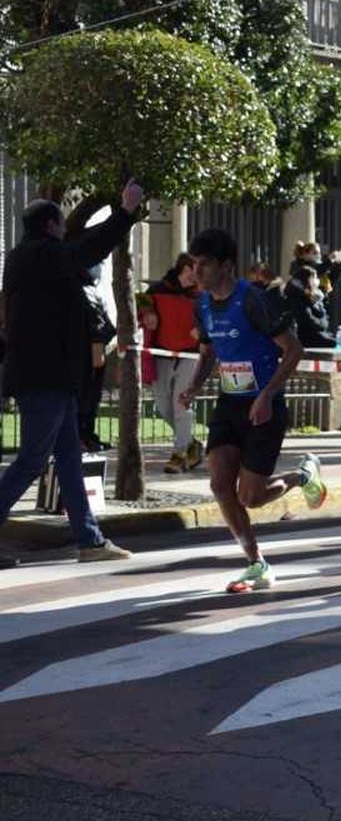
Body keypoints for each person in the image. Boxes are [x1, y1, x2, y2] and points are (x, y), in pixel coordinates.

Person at [0, 184, 145, 570]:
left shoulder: (24, 256)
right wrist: (125, 212)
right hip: (44, 377)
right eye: (62, 224)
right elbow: (88, 250)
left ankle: (89, 539)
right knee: (32, 460)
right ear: (51, 226)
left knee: (67, 459)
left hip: (51, 376)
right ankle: (88, 539)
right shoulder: (41, 254)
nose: (66, 230)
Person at [179, 227, 327, 592]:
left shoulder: (254, 300)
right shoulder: (202, 305)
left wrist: (266, 395)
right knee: (219, 485)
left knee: (252, 497)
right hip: (230, 404)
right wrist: (196, 385)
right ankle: (256, 563)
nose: (195, 272)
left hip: (265, 406)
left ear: (226, 266)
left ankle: (301, 476)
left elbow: (293, 351)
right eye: (192, 264)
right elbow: (209, 349)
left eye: (203, 264)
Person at [143, 253, 203, 471]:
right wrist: (148, 313)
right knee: (162, 406)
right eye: (193, 271)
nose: (195, 277)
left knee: (181, 405)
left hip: (190, 356)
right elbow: (141, 300)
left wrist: (202, 331)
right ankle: (191, 444)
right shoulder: (159, 288)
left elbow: (213, 316)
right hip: (162, 354)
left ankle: (179, 454)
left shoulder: (202, 295)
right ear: (183, 269)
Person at [77, 263, 115, 453]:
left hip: (91, 350)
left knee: (91, 397)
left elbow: (102, 321)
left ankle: (87, 435)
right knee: (85, 396)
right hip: (86, 351)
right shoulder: (83, 289)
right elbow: (97, 323)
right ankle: (82, 436)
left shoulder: (92, 289)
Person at [285, 264, 337, 349]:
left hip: (318, 334)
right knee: (335, 344)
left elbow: (323, 316)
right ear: (307, 279)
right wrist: (322, 324)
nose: (317, 280)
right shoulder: (297, 298)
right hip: (306, 337)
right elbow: (308, 320)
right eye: (314, 277)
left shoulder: (316, 296)